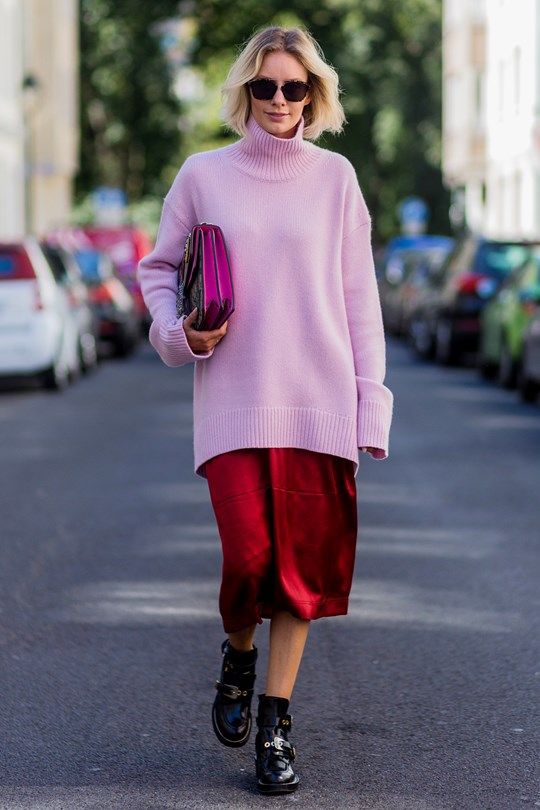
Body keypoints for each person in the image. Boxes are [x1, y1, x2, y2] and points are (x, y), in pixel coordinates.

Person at [137, 24, 394, 795]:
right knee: (249, 560)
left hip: (319, 406)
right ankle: (238, 656)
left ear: (314, 94)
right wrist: (177, 335)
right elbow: (156, 269)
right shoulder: (203, 174)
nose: (279, 100)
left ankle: (276, 725)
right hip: (235, 405)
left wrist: (368, 408)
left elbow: (360, 301)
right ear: (245, 91)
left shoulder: (337, 178)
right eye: (264, 86)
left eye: (294, 87)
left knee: (300, 576)